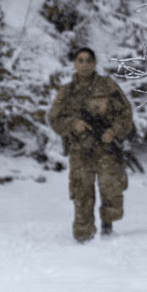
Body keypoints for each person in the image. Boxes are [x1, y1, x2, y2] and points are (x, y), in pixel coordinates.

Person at [48, 47, 135, 242]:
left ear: (95, 63)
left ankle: (108, 228)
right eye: (80, 60)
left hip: (107, 149)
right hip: (80, 150)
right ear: (74, 63)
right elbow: (55, 119)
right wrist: (73, 124)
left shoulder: (108, 86)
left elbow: (125, 114)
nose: (84, 64)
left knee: (111, 190)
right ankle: (83, 236)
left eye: (88, 61)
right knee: (81, 193)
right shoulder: (67, 91)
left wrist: (113, 132)